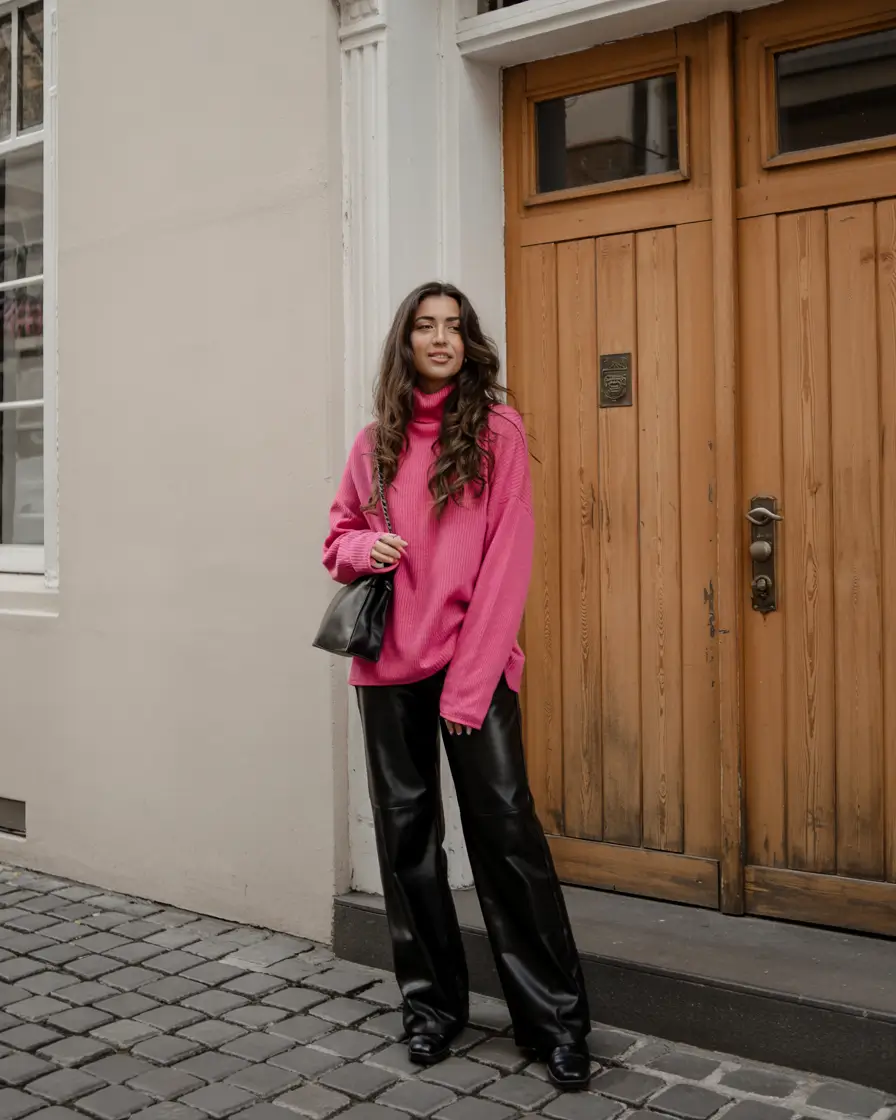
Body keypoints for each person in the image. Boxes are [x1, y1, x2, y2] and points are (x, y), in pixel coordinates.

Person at [322, 282, 592, 1091]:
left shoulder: (498, 433)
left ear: (469, 343)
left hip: (468, 669)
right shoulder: (376, 442)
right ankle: (432, 1010)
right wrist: (362, 551)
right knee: (408, 849)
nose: (439, 338)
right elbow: (338, 536)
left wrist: (469, 689)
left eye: (453, 326)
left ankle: (554, 1022)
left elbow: (508, 564)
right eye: (424, 326)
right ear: (405, 343)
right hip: (387, 671)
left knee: (508, 840)